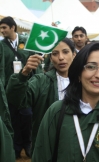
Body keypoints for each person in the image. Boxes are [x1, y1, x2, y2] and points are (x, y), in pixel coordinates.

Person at [6, 38, 76, 155]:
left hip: (75, 143)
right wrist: (24, 74)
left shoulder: (84, 81)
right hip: (46, 145)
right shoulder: (41, 81)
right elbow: (17, 100)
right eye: (55, 53)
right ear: (50, 57)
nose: (61, 57)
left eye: (65, 52)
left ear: (73, 54)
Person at [0, 16, 42, 159]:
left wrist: (37, 82)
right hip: (9, 89)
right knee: (13, 119)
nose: (2, 31)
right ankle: (17, 146)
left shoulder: (27, 42)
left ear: (13, 27)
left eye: (4, 27)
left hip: (27, 86)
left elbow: (36, 63)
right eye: (0, 28)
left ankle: (28, 143)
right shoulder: (1, 45)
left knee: (27, 116)